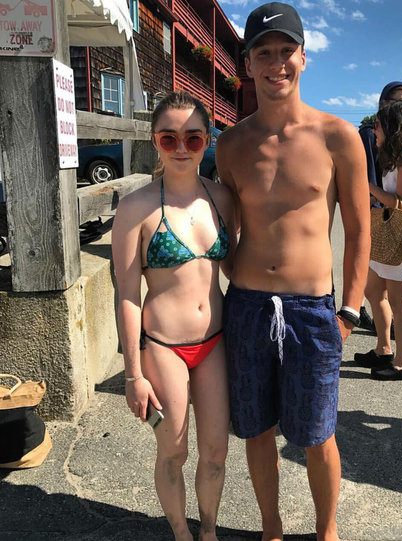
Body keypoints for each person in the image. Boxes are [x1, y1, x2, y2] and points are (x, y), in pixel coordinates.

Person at [216, 3, 370, 540]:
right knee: (256, 429)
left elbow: (359, 231)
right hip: (248, 305)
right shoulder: (231, 144)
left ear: (304, 57)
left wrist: (349, 312)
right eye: (264, 52)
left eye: (286, 51)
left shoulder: (338, 136)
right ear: (248, 63)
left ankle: (327, 530)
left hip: (312, 311)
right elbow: (224, 230)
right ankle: (271, 527)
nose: (276, 62)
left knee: (317, 435)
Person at [112, 91, 236, 541]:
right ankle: (182, 533)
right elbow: (128, 296)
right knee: (174, 452)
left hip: (215, 342)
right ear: (155, 141)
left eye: (193, 138)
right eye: (169, 139)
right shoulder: (135, 208)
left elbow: (238, 267)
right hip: (163, 347)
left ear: (207, 141)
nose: (182, 148)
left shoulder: (222, 198)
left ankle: (209, 531)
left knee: (216, 453)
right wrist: (133, 375)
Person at [355, 100, 402, 381]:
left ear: (391, 127)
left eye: (377, 125)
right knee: (373, 291)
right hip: (391, 234)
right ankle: (383, 348)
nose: (374, 130)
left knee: (400, 304)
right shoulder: (396, 156)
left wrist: (370, 188)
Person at [358, 82, 402, 332]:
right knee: (372, 272)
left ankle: (389, 332)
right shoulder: (372, 132)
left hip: (398, 215)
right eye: (395, 101)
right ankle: (361, 311)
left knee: (392, 285)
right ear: (383, 103)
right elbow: (368, 171)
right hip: (377, 209)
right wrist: (371, 199)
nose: (401, 107)